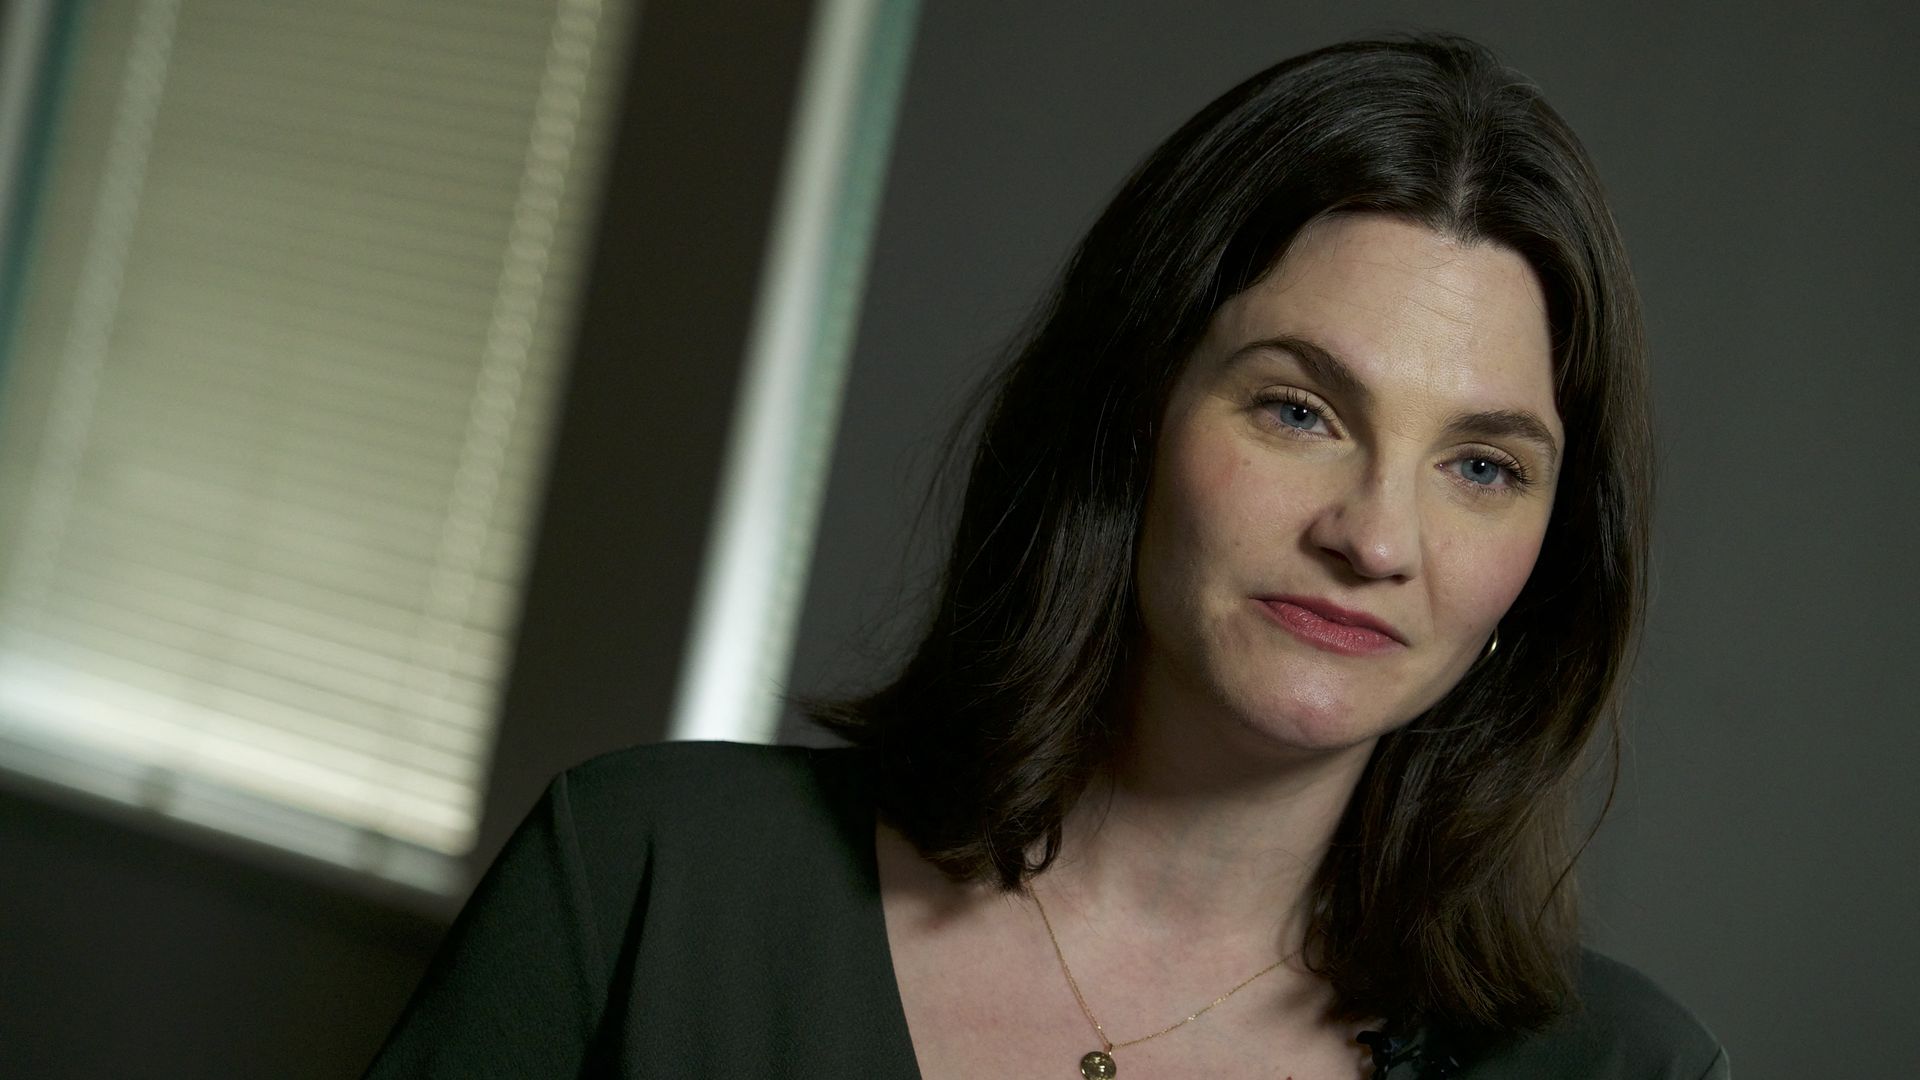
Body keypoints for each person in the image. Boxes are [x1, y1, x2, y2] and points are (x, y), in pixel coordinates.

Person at [365, 33, 1727, 1079]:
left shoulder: (1620, 1071)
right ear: (1127, 419)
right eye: (1298, 410)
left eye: (1482, 467)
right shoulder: (641, 881)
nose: (1373, 536)